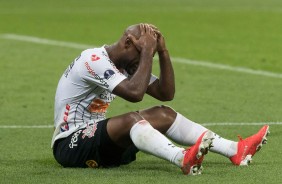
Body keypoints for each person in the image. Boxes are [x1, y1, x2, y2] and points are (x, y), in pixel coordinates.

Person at [51, 23, 269, 175]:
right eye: (143, 52)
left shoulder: (126, 63)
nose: (145, 60)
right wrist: (147, 53)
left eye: (150, 54)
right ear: (128, 42)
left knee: (164, 114)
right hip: (70, 145)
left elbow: (166, 93)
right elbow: (135, 95)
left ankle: (235, 150)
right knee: (132, 120)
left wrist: (162, 52)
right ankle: (182, 158)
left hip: (101, 144)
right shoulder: (94, 59)